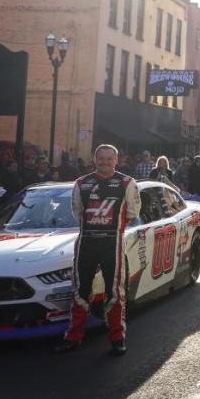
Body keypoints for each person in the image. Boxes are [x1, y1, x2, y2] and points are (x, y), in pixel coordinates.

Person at [53, 144, 140, 356]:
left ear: (116, 160)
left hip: (112, 243)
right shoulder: (81, 183)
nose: (105, 162)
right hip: (86, 243)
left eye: (109, 159)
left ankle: (117, 338)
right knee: (80, 291)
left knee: (115, 292)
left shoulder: (127, 183)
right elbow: (77, 212)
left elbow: (133, 212)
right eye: (101, 158)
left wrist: (111, 228)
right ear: (94, 159)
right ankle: (74, 337)